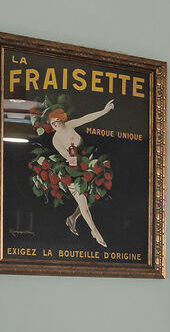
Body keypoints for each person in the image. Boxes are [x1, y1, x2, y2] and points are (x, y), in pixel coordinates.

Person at [30, 99, 115, 247]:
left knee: (93, 196)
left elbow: (86, 118)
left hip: (86, 161)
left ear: (62, 119)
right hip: (71, 169)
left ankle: (73, 218)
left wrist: (105, 111)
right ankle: (95, 232)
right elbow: (68, 159)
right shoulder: (56, 140)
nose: (56, 124)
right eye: (53, 123)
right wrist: (72, 154)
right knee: (83, 203)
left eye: (58, 120)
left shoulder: (70, 125)